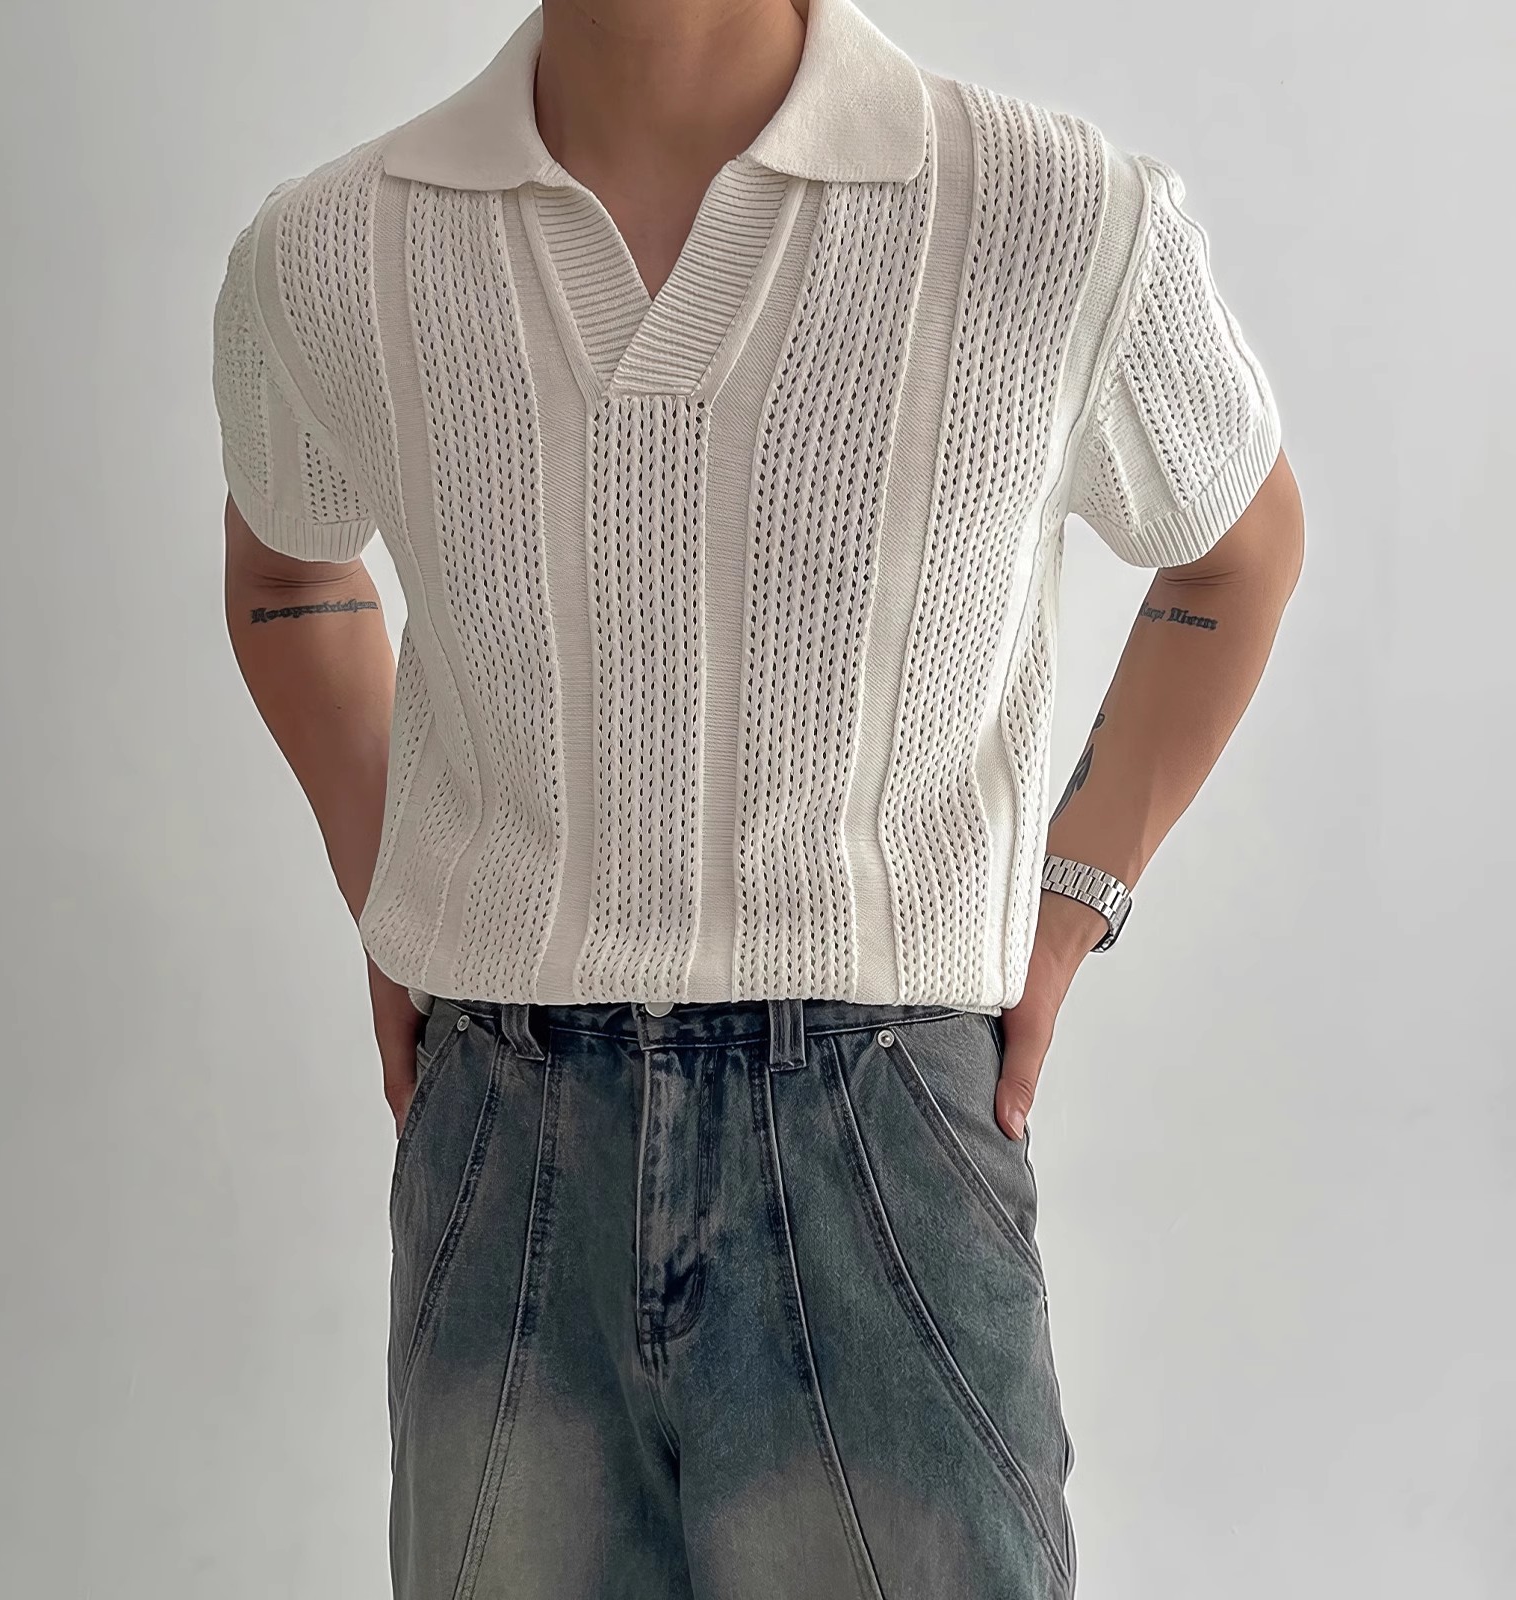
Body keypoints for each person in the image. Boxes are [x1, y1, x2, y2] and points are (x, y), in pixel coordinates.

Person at [209, 0, 1304, 1593]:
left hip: (882, 1134)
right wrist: (397, 878)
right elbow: (288, 568)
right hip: (501, 1135)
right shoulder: (335, 252)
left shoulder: (1047, 213)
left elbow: (1237, 549)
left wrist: (1076, 896)